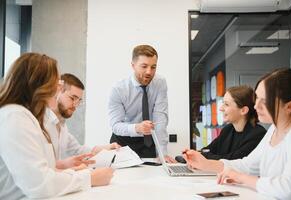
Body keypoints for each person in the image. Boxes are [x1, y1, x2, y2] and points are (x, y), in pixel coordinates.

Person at [0, 53, 114, 200]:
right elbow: (39, 184)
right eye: (57, 83)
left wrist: (69, 171)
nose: (59, 88)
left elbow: (41, 173)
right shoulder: (14, 117)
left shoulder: (27, 117)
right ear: (38, 84)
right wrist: (89, 178)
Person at [183, 68, 291, 199]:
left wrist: (241, 178)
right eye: (257, 98)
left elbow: (290, 189)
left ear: (290, 106)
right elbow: (248, 165)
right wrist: (206, 164)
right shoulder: (274, 129)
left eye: (265, 101)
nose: (256, 106)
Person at [108, 44, 175, 162]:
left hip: (147, 141)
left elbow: (160, 119)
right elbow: (115, 125)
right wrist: (137, 128)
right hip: (123, 141)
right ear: (133, 66)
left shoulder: (160, 83)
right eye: (144, 66)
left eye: (153, 67)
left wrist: (163, 153)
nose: (149, 72)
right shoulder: (118, 89)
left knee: (152, 176)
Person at [44, 73, 120, 169]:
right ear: (58, 91)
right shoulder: (42, 122)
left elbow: (78, 150)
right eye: (72, 98)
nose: (75, 105)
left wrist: (106, 148)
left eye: (79, 101)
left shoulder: (62, 126)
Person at [200, 85, 266, 160]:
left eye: (226, 104)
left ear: (243, 110)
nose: (221, 108)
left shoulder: (258, 134)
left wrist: (206, 156)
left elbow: (231, 161)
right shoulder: (227, 129)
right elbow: (206, 150)